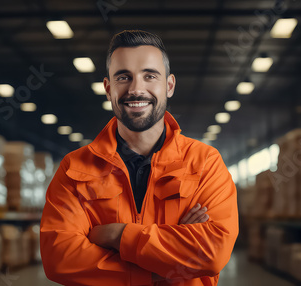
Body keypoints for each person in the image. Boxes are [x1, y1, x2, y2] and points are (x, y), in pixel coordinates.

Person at [40, 30, 239, 286]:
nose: (136, 89)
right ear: (108, 88)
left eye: (149, 76)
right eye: (124, 77)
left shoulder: (204, 163)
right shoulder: (74, 167)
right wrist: (157, 270)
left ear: (169, 85)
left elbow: (211, 252)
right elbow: (60, 258)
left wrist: (117, 235)